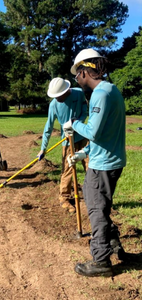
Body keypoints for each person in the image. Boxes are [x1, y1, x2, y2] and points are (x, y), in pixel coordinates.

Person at [63, 49, 127, 277]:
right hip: (107, 159)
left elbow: (94, 131)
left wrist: (73, 124)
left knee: (96, 210)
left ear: (83, 71)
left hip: (103, 165)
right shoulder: (112, 90)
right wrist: (84, 153)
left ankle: (101, 260)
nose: (76, 79)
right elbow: (104, 134)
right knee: (97, 203)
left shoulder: (100, 93)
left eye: (76, 74)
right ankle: (114, 244)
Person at [37, 77, 89, 213]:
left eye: (58, 96)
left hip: (83, 136)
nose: (57, 99)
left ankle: (92, 195)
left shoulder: (79, 93)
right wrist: (43, 148)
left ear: (66, 91)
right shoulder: (53, 105)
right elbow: (48, 127)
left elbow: (85, 109)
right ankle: (64, 198)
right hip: (66, 141)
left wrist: (77, 122)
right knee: (67, 169)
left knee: (90, 166)